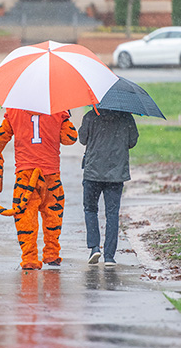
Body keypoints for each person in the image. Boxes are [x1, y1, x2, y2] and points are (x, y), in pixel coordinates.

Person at [0, 108, 77, 270]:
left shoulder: (14, 111)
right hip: (51, 174)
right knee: (53, 216)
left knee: (26, 217)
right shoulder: (57, 110)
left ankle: (29, 257)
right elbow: (70, 139)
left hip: (25, 174)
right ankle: (51, 253)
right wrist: (65, 117)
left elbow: (1, 136)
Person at [78, 108, 138, 266]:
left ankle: (94, 247)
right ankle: (110, 256)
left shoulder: (91, 116)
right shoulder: (126, 117)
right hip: (116, 173)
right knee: (112, 213)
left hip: (93, 173)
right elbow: (132, 141)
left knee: (90, 209)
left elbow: (82, 139)